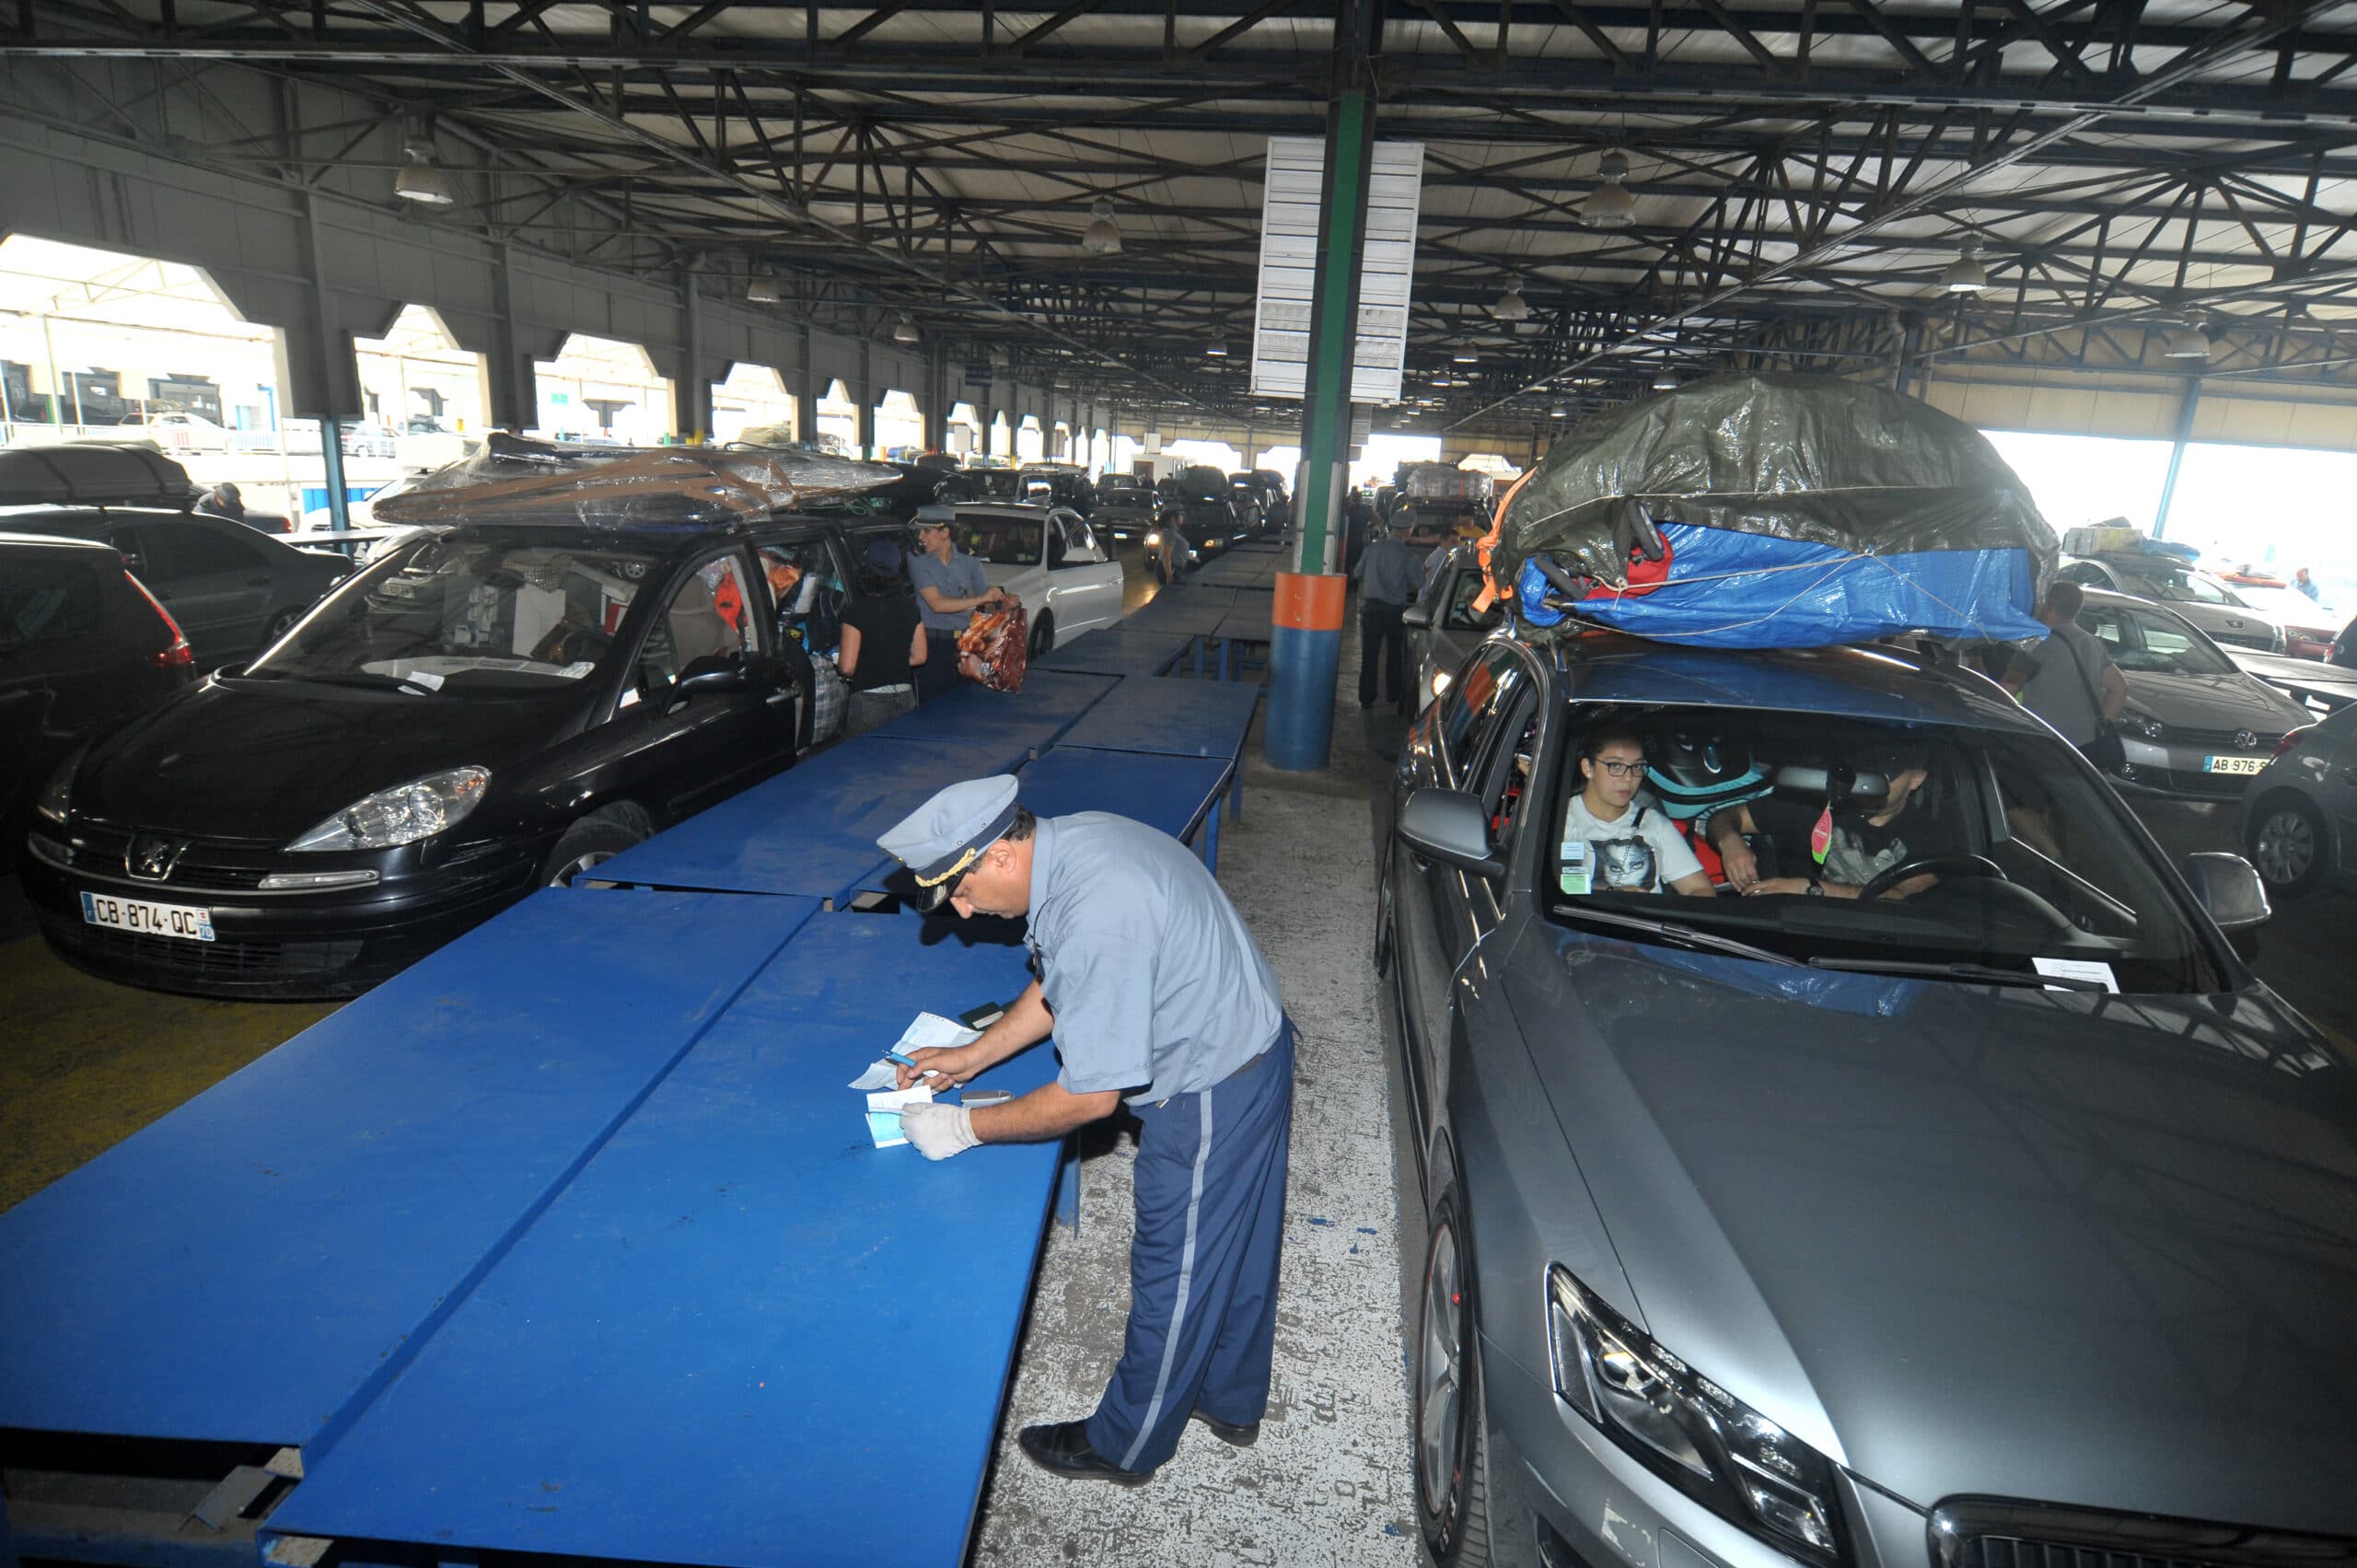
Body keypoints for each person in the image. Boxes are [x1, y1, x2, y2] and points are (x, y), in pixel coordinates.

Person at [877, 777, 1293, 1487]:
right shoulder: (1071, 844)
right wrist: (971, 1057)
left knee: (1177, 1270)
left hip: (1209, 1085)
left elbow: (1091, 1097)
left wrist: (964, 1126)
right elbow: (1061, 983)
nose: (967, 914)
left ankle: (1126, 1444)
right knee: (1238, 1244)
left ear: (999, 855)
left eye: (965, 894)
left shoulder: (1097, 910)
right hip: (1253, 1038)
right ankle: (1228, 1397)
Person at [1748, 745, 1941, 900]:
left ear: (1916, 779)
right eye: (1866, 771)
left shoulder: (1930, 837)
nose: (1868, 782)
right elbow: (1729, 818)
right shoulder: (1820, 804)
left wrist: (1808, 888)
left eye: (1884, 777)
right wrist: (1731, 842)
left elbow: (1895, 896)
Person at [1558, 728, 1716, 896]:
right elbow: (1552, 887)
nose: (1628, 778)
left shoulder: (1654, 822)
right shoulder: (1561, 821)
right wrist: (1615, 892)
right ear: (1588, 768)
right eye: (1616, 766)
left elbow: (1700, 889)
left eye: (1637, 767)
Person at [2003, 580, 2128, 760]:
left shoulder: (2035, 645)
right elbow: (2119, 688)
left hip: (2042, 742)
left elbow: (2006, 690)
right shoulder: (2093, 643)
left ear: (2048, 605)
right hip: (2084, 744)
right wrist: (2103, 723)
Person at [907, 502, 1010, 701]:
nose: (921, 537)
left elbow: (987, 598)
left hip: (962, 643)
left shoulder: (969, 559)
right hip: (930, 644)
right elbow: (936, 604)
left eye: (926, 531)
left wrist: (1003, 601)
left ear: (944, 532)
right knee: (930, 707)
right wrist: (982, 598)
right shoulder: (916, 560)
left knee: (963, 704)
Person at [836, 539, 928, 737]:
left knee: (864, 761)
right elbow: (920, 657)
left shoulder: (857, 611)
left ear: (864, 570)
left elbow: (847, 666)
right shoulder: (911, 608)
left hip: (868, 700)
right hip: (904, 696)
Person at [1353, 519, 1422, 714]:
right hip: (1394, 610)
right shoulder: (1408, 555)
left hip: (1371, 609)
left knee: (1370, 654)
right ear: (1407, 531)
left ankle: (1366, 698)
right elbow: (1418, 583)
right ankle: (1393, 695)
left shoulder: (1372, 549)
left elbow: (1357, 573)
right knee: (1394, 654)